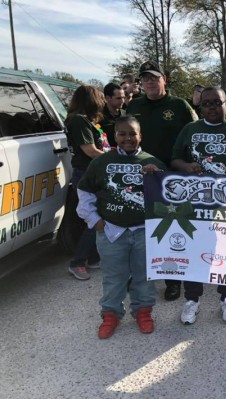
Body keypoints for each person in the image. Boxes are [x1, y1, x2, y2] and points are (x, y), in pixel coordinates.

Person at [171, 86, 226, 324]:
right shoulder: (190, 129)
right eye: (206, 103)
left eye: (216, 102)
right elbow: (175, 159)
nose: (211, 107)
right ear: (200, 106)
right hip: (196, 205)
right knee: (195, 252)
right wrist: (186, 166)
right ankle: (192, 300)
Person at [76, 115, 166, 339]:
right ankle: (111, 314)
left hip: (143, 232)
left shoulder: (152, 161)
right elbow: (84, 190)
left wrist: (157, 177)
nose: (128, 138)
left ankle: (143, 312)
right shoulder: (101, 162)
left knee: (144, 275)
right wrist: (94, 220)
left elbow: (166, 198)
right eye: (122, 134)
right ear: (114, 136)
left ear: (140, 135)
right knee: (113, 276)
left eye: (132, 133)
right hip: (111, 231)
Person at [127, 60, 197, 302]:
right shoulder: (134, 105)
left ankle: (172, 279)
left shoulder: (180, 106)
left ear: (164, 79)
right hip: (142, 175)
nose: (149, 82)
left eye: (154, 78)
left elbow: (193, 136)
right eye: (145, 78)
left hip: (171, 177)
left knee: (169, 228)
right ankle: (139, 275)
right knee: (139, 228)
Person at [65, 85, 109, 281]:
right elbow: (90, 151)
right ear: (91, 100)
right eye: (100, 97)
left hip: (90, 173)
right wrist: (114, 158)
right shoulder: (79, 121)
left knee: (96, 216)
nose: (103, 101)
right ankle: (77, 262)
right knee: (94, 219)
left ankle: (92, 257)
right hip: (85, 175)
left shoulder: (85, 121)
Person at [99, 83, 125, 147]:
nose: (122, 101)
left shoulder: (126, 114)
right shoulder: (98, 116)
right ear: (107, 98)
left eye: (123, 97)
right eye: (118, 98)